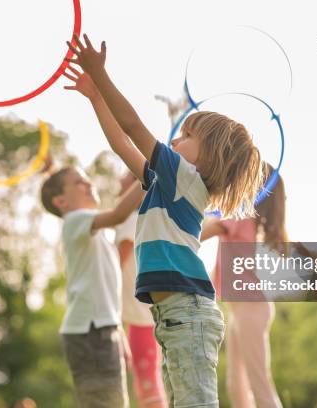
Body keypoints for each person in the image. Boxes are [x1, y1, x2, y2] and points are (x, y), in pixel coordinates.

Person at [64, 34, 263, 407]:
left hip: (187, 312)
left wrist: (101, 77)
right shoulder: (167, 183)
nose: (174, 141)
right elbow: (123, 144)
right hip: (174, 314)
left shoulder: (184, 178)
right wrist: (95, 99)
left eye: (186, 136)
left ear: (208, 158)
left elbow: (134, 126)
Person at [41, 162, 144, 407]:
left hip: (99, 328)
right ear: (60, 202)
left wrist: (118, 334)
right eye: (79, 182)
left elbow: (102, 292)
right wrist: (149, 176)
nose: (88, 183)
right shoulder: (76, 220)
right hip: (90, 332)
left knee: (111, 401)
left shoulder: (90, 229)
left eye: (86, 179)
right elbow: (119, 214)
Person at [200, 163, 284, 408]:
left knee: (259, 384)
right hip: (242, 309)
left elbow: (201, 233)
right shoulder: (246, 216)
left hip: (250, 308)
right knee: (236, 385)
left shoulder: (241, 214)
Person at [114, 172, 167, 408]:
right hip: (143, 316)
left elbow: (114, 267)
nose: (119, 182)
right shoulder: (144, 221)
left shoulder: (130, 221)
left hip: (143, 317)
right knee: (148, 383)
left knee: (148, 385)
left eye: (127, 178)